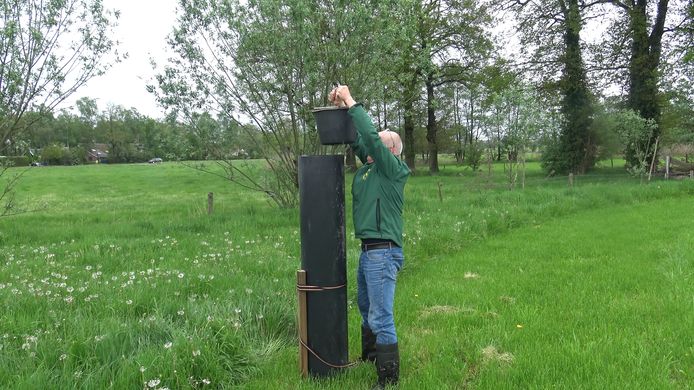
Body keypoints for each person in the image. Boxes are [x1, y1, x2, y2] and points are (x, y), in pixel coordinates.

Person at [329, 85, 410, 388]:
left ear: (389, 150)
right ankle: (371, 357)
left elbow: (370, 138)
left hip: (383, 252)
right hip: (368, 252)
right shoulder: (369, 169)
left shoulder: (393, 170)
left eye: (380, 142)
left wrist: (352, 100)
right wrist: (340, 107)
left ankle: (388, 380)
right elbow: (357, 138)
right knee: (366, 308)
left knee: (381, 315)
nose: (372, 146)